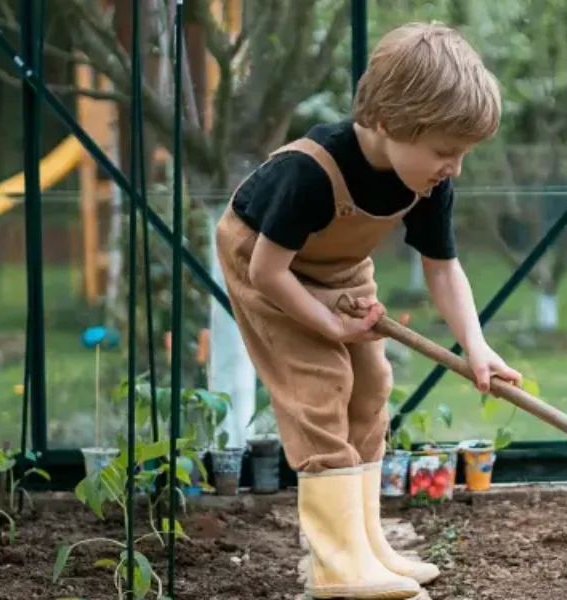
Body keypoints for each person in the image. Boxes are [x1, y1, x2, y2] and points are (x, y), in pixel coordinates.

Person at [212, 21, 521, 600]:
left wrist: (475, 347)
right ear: (389, 123)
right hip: (268, 267)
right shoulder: (308, 173)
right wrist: (330, 324)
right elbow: (267, 272)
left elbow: (442, 267)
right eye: (445, 151)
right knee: (320, 384)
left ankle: (366, 545)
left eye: (462, 153)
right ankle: (335, 568)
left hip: (339, 268)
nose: (454, 166)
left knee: (372, 381)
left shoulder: (426, 179)